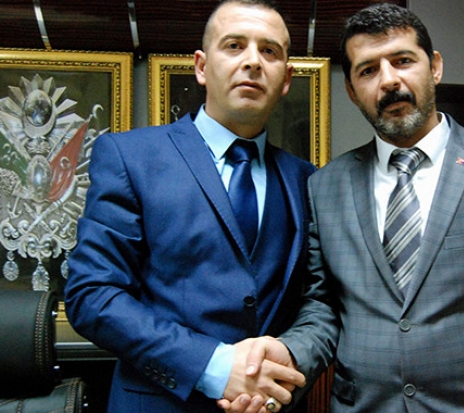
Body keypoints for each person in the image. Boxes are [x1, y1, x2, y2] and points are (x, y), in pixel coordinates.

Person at [222, 3, 464, 412]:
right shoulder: (325, 186)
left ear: (435, 67)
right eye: (368, 70)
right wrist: (289, 356)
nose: (389, 80)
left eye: (403, 61)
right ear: (351, 90)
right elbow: (324, 306)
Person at [63, 0, 312, 412]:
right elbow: (92, 295)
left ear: (285, 78)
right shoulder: (131, 157)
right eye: (234, 46)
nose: (253, 61)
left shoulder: (305, 179)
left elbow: (314, 303)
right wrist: (215, 366)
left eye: (269, 51)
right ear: (201, 66)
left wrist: (278, 369)